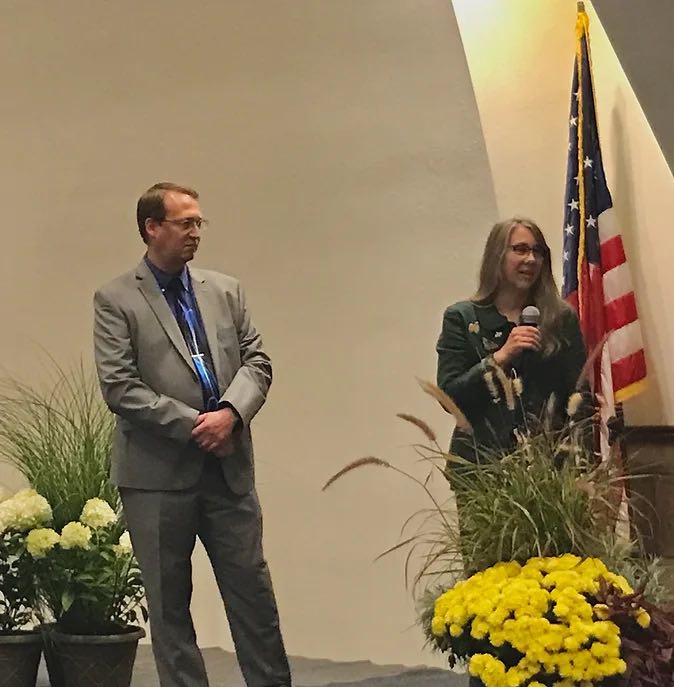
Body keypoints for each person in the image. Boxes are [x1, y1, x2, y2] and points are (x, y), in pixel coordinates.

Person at [93, 182, 291, 687]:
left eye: (199, 222)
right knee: (170, 610)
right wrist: (195, 426)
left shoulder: (225, 289)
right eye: (185, 223)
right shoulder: (115, 299)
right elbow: (119, 387)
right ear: (152, 228)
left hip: (229, 468)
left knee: (254, 598)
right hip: (157, 478)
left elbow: (258, 361)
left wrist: (230, 412)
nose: (195, 233)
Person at [436, 217, 588, 463]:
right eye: (520, 249)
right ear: (497, 256)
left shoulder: (561, 319)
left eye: (537, 251)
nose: (530, 259)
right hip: (482, 468)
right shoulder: (462, 318)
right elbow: (451, 396)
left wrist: (586, 463)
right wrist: (499, 358)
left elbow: (580, 397)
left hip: (549, 467)